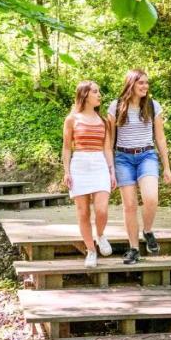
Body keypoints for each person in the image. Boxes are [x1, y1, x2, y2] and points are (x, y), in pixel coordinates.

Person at [107, 70, 171, 264]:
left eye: (147, 83)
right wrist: (109, 167)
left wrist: (167, 166)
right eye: (141, 83)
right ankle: (134, 248)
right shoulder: (116, 106)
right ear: (131, 84)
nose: (145, 86)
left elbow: (160, 138)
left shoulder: (153, 106)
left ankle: (148, 230)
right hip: (122, 158)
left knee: (151, 198)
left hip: (147, 156)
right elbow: (109, 140)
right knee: (130, 206)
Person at [62, 81, 117, 268]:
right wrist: (66, 172)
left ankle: (100, 235)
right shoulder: (72, 119)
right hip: (79, 165)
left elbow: (108, 148)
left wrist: (112, 171)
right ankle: (91, 250)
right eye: (95, 92)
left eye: (99, 92)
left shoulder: (104, 121)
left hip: (99, 164)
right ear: (84, 95)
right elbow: (67, 148)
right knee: (83, 212)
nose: (99, 95)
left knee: (101, 209)